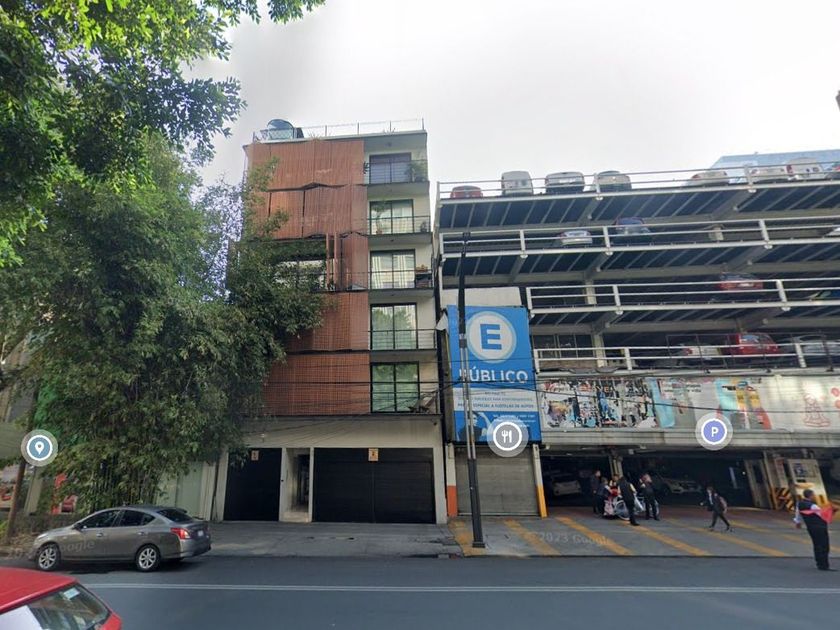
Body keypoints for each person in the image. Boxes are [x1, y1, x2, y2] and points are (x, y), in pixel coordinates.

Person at [796, 489, 837, 571]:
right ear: (810, 495)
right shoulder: (813, 506)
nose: (814, 496)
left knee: (816, 545)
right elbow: (822, 515)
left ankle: (819, 563)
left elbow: (798, 514)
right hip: (819, 527)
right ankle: (824, 565)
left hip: (810, 527)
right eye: (813, 495)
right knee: (824, 546)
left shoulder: (799, 504)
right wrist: (832, 511)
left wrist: (798, 522)